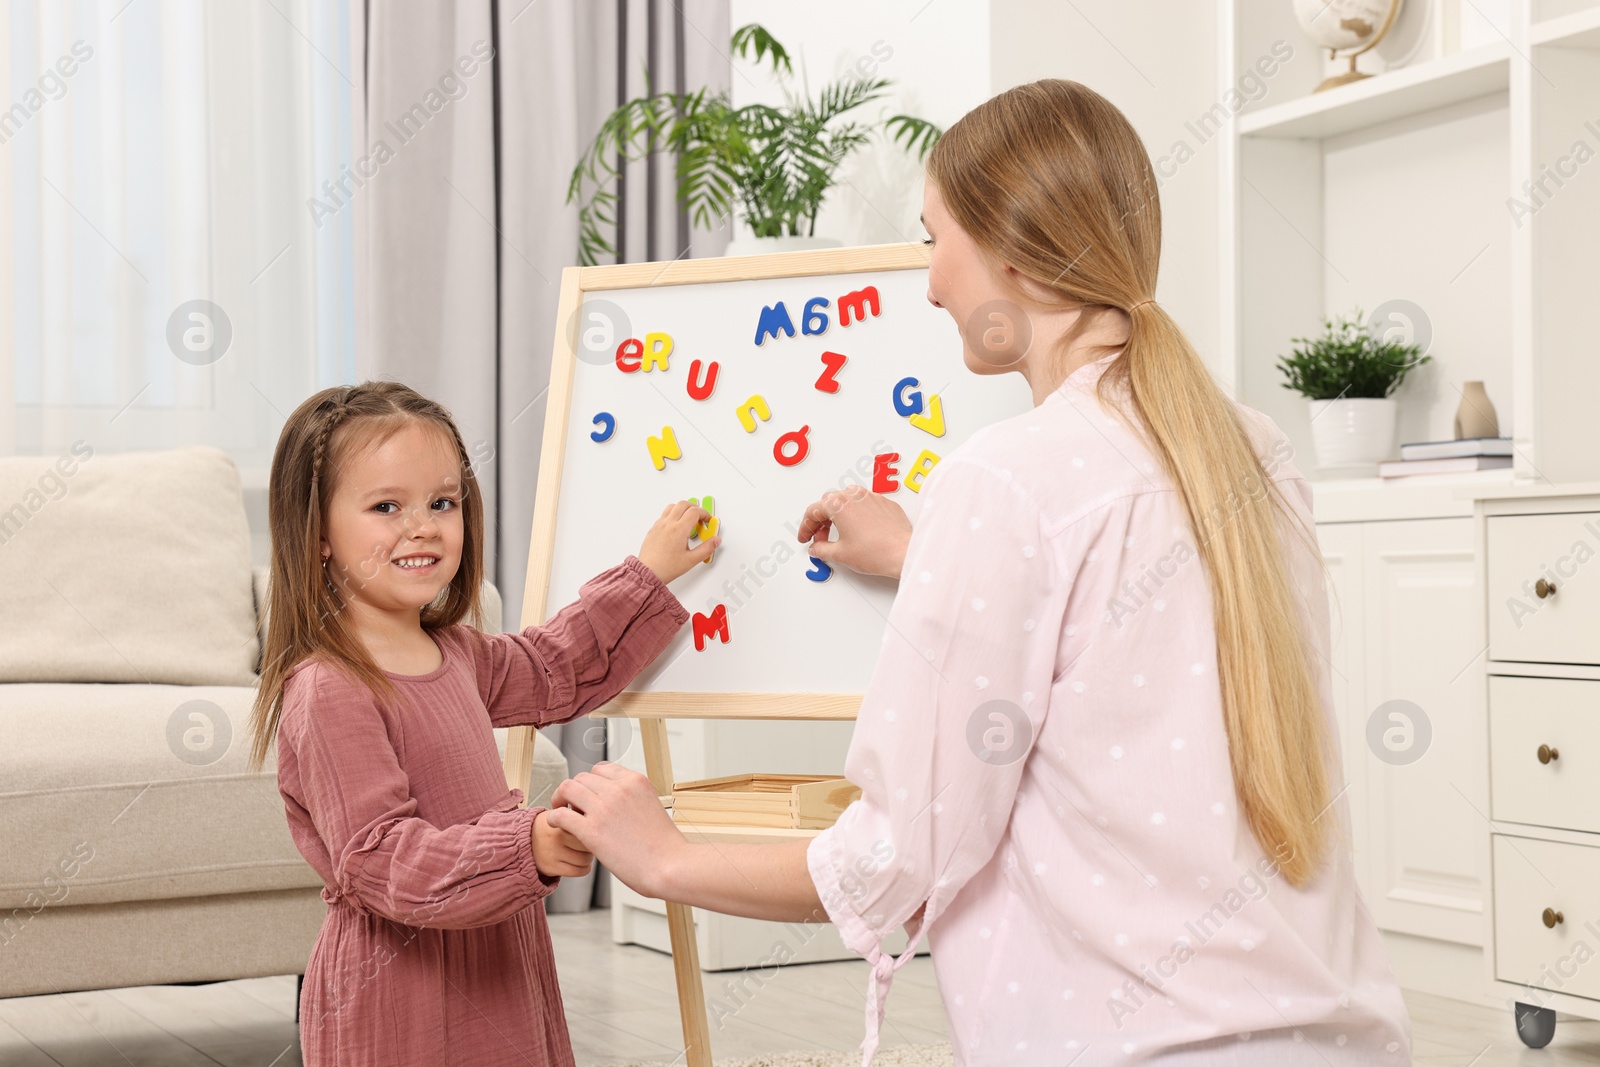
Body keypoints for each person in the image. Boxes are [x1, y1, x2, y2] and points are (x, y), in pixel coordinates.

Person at [545, 79, 1414, 1066]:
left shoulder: (1005, 478)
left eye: (931, 239)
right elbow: (1131, 635)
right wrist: (928, 556)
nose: (927, 284)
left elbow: (900, 853)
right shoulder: (1252, 448)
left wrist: (666, 857)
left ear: (1006, 247)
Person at [246, 381, 718, 1066]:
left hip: (496, 951)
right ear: (317, 535)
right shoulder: (328, 690)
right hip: (400, 984)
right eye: (387, 506)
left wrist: (648, 574)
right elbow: (382, 857)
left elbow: (556, 665)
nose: (423, 526)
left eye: (443, 502)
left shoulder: (457, 651)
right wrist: (525, 843)